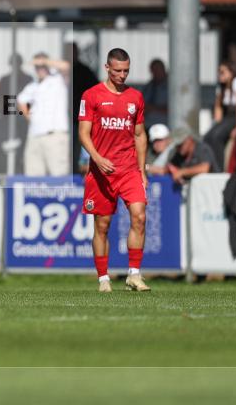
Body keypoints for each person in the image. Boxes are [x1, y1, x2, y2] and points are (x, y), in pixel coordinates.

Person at [78, 48, 149, 293]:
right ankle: (103, 279)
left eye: (126, 70)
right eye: (118, 70)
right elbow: (83, 134)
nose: (122, 75)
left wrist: (142, 171)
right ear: (107, 68)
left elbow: (140, 135)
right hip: (101, 172)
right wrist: (97, 159)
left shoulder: (136, 97)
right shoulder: (91, 95)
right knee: (102, 225)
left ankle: (134, 274)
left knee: (139, 216)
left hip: (129, 169)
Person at [17, 52, 71, 176]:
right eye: (37, 67)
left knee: (58, 175)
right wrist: (29, 117)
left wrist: (44, 61)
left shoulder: (58, 79)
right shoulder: (33, 85)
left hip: (54, 135)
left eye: (42, 66)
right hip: (34, 135)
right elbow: (21, 100)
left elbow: (66, 66)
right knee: (33, 176)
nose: (39, 69)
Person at [204, 61, 236, 170]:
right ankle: (211, 166)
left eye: (223, 72)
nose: (220, 74)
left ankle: (219, 168)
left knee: (216, 136)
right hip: (232, 115)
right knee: (208, 136)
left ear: (231, 72)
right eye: (219, 72)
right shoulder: (222, 87)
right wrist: (217, 124)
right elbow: (218, 107)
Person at [70, 43, 99, 173]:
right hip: (62, 122)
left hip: (80, 120)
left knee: (78, 150)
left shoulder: (85, 71)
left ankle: (77, 176)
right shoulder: (58, 73)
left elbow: (96, 93)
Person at [141, 59, 169, 130]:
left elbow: (174, 109)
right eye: (153, 70)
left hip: (164, 126)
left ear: (163, 69)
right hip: (147, 126)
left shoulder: (171, 87)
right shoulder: (148, 87)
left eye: (158, 70)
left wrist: (152, 108)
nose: (156, 73)